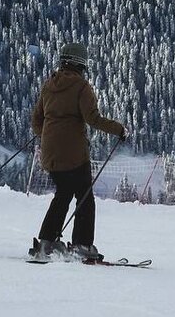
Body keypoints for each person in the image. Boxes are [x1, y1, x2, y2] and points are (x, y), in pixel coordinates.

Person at [28, 42, 126, 262]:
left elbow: (36, 120)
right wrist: (119, 129)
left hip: (50, 153)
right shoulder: (82, 87)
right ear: (81, 64)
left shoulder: (48, 85)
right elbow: (93, 119)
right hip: (73, 154)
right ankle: (82, 245)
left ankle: (47, 242)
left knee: (62, 194)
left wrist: (47, 136)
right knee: (85, 197)